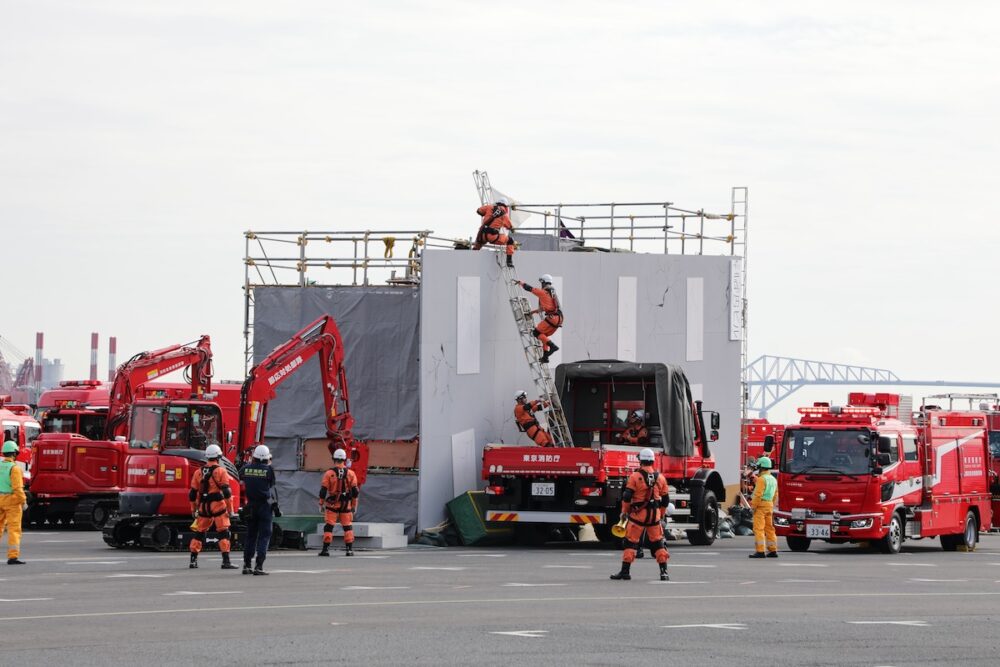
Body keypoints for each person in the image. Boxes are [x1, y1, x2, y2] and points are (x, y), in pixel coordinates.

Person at [610, 448, 670, 581]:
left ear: (640, 460)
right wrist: (661, 515)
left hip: (638, 516)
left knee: (630, 543)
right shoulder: (660, 478)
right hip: (654, 516)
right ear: (653, 461)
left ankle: (625, 572)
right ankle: (664, 572)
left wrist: (624, 513)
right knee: (658, 543)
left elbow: (627, 497)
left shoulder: (635, 476)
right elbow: (665, 500)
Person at [188, 444, 238, 570]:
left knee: (199, 532)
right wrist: (231, 510)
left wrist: (194, 510)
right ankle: (226, 561)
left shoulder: (198, 472)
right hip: (218, 506)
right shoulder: (221, 471)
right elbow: (226, 492)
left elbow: (192, 493)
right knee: (223, 532)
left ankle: (193, 561)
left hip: (204, 506)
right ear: (219, 456)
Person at [240, 444, 278, 576]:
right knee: (264, 536)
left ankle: (246, 565)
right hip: (265, 506)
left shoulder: (245, 469)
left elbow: (240, 482)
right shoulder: (269, 470)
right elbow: (272, 489)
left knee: (251, 536)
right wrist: (276, 507)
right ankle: (259, 566)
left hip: (250, 506)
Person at [318, 448, 359, 557]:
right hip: (346, 504)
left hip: (332, 504)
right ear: (345, 459)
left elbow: (323, 491)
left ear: (333, 459)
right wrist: (354, 505)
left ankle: (325, 549)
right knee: (347, 527)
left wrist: (321, 503)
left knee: (329, 526)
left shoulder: (329, 473)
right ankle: (349, 550)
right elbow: (355, 492)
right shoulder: (351, 473)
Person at [515, 274, 563, 363]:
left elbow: (530, 288)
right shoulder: (552, 293)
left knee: (536, 332)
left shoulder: (543, 292)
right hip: (559, 318)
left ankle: (553, 346)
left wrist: (521, 283)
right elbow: (545, 308)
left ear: (543, 282)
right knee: (543, 336)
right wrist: (532, 312)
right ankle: (545, 357)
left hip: (552, 318)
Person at [0, 441, 26, 565]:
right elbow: (17, 489)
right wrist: (23, 501)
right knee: (14, 530)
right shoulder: (14, 468)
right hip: (12, 501)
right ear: (15, 453)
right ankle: (12, 557)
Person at [749, 455, 779, 559]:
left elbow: (758, 494)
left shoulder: (761, 479)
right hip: (769, 505)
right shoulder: (773, 479)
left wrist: (753, 506)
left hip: (761, 506)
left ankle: (760, 551)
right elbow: (775, 494)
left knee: (759, 529)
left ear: (761, 467)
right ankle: (773, 550)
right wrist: (771, 504)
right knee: (770, 528)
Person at [473, 197, 516, 268]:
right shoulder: (504, 214)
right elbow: (509, 226)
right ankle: (509, 261)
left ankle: (471, 259)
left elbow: (479, 211)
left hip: (481, 234)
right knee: (510, 240)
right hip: (492, 236)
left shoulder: (489, 207)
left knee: (476, 248)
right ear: (505, 206)